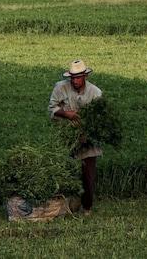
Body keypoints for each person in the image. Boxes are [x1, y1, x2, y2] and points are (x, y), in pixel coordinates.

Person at [48, 59, 102, 216]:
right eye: (73, 78)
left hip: (88, 141)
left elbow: (97, 119)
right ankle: (67, 205)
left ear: (85, 77)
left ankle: (86, 207)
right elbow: (52, 107)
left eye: (78, 78)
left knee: (88, 176)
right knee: (67, 173)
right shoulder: (60, 88)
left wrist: (87, 134)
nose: (75, 81)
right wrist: (67, 114)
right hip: (67, 138)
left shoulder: (95, 93)